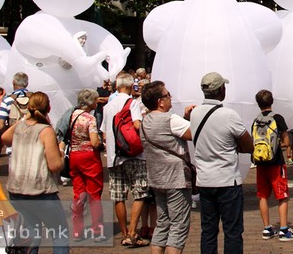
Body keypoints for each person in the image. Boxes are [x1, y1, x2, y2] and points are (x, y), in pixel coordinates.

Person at [188, 72, 254, 254]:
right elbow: (249, 145)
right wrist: (235, 146)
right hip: (227, 181)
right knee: (232, 231)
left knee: (208, 231)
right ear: (221, 90)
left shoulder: (194, 114)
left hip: (204, 181)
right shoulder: (228, 115)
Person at [1, 91, 70, 254]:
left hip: (17, 190)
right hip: (40, 190)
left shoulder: (20, 126)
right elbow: (55, 166)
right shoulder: (45, 130)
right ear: (49, 108)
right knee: (60, 233)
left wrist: (24, 118)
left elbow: (4, 137)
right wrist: (61, 152)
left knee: (31, 234)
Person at [140, 80, 196, 254]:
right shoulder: (170, 119)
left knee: (162, 223)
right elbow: (193, 133)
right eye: (167, 95)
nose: (170, 97)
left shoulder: (144, 121)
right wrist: (190, 118)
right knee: (178, 228)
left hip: (157, 178)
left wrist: (184, 119)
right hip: (176, 179)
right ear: (160, 101)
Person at [101, 71, 150, 247]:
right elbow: (137, 124)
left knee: (118, 196)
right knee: (140, 193)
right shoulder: (133, 103)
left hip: (114, 156)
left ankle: (123, 233)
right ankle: (132, 232)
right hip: (134, 154)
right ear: (130, 86)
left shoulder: (108, 106)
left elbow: (104, 132)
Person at [251, 89, 293, 241]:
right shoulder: (277, 118)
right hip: (275, 162)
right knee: (282, 196)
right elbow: (287, 142)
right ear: (271, 102)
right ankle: (284, 230)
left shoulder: (256, 120)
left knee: (262, 195)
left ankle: (267, 228)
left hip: (260, 162)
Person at [63, 88, 106, 242]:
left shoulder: (71, 115)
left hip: (74, 155)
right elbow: (94, 142)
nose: (96, 103)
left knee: (78, 194)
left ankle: (77, 231)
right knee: (94, 194)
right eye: (95, 100)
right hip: (89, 157)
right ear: (89, 102)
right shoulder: (90, 119)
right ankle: (97, 230)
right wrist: (102, 144)